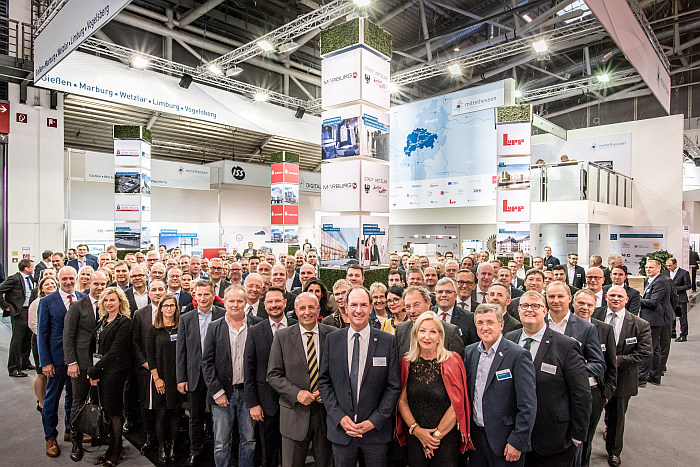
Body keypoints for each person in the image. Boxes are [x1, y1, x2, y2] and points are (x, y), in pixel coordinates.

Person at [504, 291, 591, 467]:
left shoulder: (566, 346)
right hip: (513, 436)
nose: (530, 310)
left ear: (545, 311)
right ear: (518, 310)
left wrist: (576, 437)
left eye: (535, 306)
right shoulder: (508, 340)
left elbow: (581, 394)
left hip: (553, 440)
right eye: (525, 306)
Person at [318, 286, 401, 467]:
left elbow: (393, 386)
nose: (358, 310)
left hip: (375, 434)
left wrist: (374, 421)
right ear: (345, 307)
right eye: (353, 304)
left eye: (363, 305)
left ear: (371, 308)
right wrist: (339, 417)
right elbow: (324, 382)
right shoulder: (333, 340)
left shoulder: (387, 341)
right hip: (342, 431)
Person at [266, 292, 335, 467]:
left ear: (318, 309)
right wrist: (296, 394)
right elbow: (273, 375)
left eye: (311, 307)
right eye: (302, 308)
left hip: (326, 415)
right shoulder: (282, 337)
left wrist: (327, 391)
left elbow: (341, 373)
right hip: (294, 413)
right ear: (295, 311)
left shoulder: (333, 336)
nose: (307, 312)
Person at [465, 304, 537, 467]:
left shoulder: (518, 355)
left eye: (490, 322)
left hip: (506, 442)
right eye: (480, 323)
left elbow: (528, 405)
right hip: (477, 440)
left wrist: (517, 441)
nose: (485, 327)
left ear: (501, 324)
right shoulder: (470, 352)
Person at [395, 311, 470, 466]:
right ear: (415, 334)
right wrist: (417, 431)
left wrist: (434, 437)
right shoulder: (406, 361)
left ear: (440, 336)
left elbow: (457, 404)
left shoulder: (452, 360)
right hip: (415, 437)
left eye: (432, 332)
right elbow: (402, 401)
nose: (427, 337)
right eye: (422, 331)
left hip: (445, 438)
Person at [201, 284, 262, 467]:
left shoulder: (257, 324)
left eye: (239, 301)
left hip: (249, 393)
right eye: (231, 301)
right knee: (221, 443)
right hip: (222, 394)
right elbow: (207, 362)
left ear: (245, 302)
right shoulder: (214, 327)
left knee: (249, 440)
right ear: (224, 302)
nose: (235, 305)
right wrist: (216, 392)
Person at [592, 286, 652, 467]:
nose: (616, 299)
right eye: (612, 296)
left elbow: (644, 352)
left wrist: (616, 360)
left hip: (622, 378)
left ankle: (614, 452)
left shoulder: (640, 324)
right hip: (595, 378)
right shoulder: (594, 315)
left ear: (626, 300)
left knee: (617, 419)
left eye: (620, 296)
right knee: (589, 415)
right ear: (606, 297)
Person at [244, 287, 297, 467]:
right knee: (269, 452)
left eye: (277, 301)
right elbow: (249, 369)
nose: (274, 305)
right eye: (270, 302)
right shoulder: (255, 331)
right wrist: (253, 403)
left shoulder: (297, 326)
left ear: (285, 302)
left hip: (294, 402)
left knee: (294, 453)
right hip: (266, 404)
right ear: (264, 305)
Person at [176, 280, 225, 466]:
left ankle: (216, 451)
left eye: (207, 294)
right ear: (194, 296)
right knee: (194, 417)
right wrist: (181, 378)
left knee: (218, 417)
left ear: (213, 295)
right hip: (194, 376)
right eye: (200, 295)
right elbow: (181, 351)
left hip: (217, 376)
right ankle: (195, 451)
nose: (203, 298)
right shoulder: (186, 318)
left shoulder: (223, 314)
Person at [38, 266, 84, 457]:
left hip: (77, 360)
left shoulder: (82, 297)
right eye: (64, 279)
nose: (68, 282)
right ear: (58, 279)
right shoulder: (47, 301)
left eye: (71, 278)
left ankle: (70, 430)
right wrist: (45, 362)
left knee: (73, 398)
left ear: (76, 278)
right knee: (52, 399)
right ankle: (50, 437)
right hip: (55, 360)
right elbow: (42, 333)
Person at [63, 271, 107, 461]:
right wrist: (71, 362)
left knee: (103, 402)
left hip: (104, 363)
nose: (99, 288)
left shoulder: (110, 305)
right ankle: (76, 442)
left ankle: (101, 437)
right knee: (78, 402)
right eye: (96, 284)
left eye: (103, 284)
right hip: (80, 364)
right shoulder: (77, 306)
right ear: (89, 283)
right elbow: (68, 336)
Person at [86, 287, 132, 466]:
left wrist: (95, 370)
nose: (109, 303)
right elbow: (95, 348)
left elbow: (115, 351)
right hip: (102, 371)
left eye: (112, 300)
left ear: (120, 302)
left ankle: (117, 449)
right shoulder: (103, 320)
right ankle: (111, 447)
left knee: (114, 412)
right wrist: (93, 369)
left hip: (115, 373)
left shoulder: (124, 322)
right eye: (106, 300)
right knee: (106, 410)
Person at [572, 289, 617, 467]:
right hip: (568, 392)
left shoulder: (604, 329)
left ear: (596, 306)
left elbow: (610, 365)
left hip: (594, 393)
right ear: (573, 303)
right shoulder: (564, 327)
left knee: (586, 437)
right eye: (581, 303)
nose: (585, 308)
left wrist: (606, 393)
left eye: (590, 304)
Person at [147, 294, 183, 465]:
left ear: (176, 308)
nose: (169, 308)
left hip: (177, 378)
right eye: (166, 305)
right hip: (160, 378)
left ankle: (174, 447)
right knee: (161, 413)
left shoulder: (181, 327)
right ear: (160, 308)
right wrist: (156, 379)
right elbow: (150, 356)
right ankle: (162, 447)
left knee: (175, 413)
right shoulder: (153, 329)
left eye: (172, 305)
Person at [132, 280, 167, 454]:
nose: (157, 292)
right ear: (148, 293)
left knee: (163, 407)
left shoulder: (172, 313)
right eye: (153, 289)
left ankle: (163, 441)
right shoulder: (140, 314)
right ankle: (150, 437)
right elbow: (135, 342)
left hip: (166, 369)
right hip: (145, 370)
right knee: (146, 406)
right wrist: (145, 362)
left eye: (161, 289)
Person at [396, 286, 466, 358]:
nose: (412, 311)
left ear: (428, 303)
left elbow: (457, 364)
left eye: (416, 305)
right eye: (408, 307)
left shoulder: (449, 331)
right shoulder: (401, 329)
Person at [638, 258, 671, 386]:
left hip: (655, 319)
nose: (648, 269)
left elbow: (653, 302)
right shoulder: (651, 280)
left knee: (649, 347)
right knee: (655, 347)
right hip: (652, 318)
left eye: (651, 267)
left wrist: (635, 299)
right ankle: (654, 375)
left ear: (658, 268)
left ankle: (643, 377)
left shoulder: (661, 282)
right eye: (647, 267)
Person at [0, 258, 35, 377]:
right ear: (26, 268)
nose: (33, 268)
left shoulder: (29, 278)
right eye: (32, 266)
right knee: (17, 340)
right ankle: (13, 368)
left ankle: (24, 363)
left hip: (29, 311)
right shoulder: (14, 278)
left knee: (27, 339)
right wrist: (5, 306)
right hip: (19, 312)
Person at [28, 276, 57, 414]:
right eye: (47, 284)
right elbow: (33, 324)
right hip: (40, 341)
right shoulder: (37, 303)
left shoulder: (60, 301)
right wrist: (46, 337)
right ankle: (41, 402)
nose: (50, 286)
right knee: (41, 373)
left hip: (54, 343)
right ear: (41, 289)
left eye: (53, 283)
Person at [432, 277, 479, 346]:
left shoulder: (469, 318)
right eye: (440, 292)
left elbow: (472, 346)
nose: (444, 295)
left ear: (455, 296)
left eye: (448, 292)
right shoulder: (428, 314)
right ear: (435, 295)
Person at [665, 257, 691, 342]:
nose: (668, 267)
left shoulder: (684, 273)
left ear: (675, 264)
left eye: (670, 265)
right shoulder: (665, 273)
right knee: (671, 316)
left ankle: (683, 335)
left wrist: (675, 289)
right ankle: (672, 333)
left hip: (681, 299)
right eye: (667, 265)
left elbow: (688, 285)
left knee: (682, 317)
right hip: (669, 299)